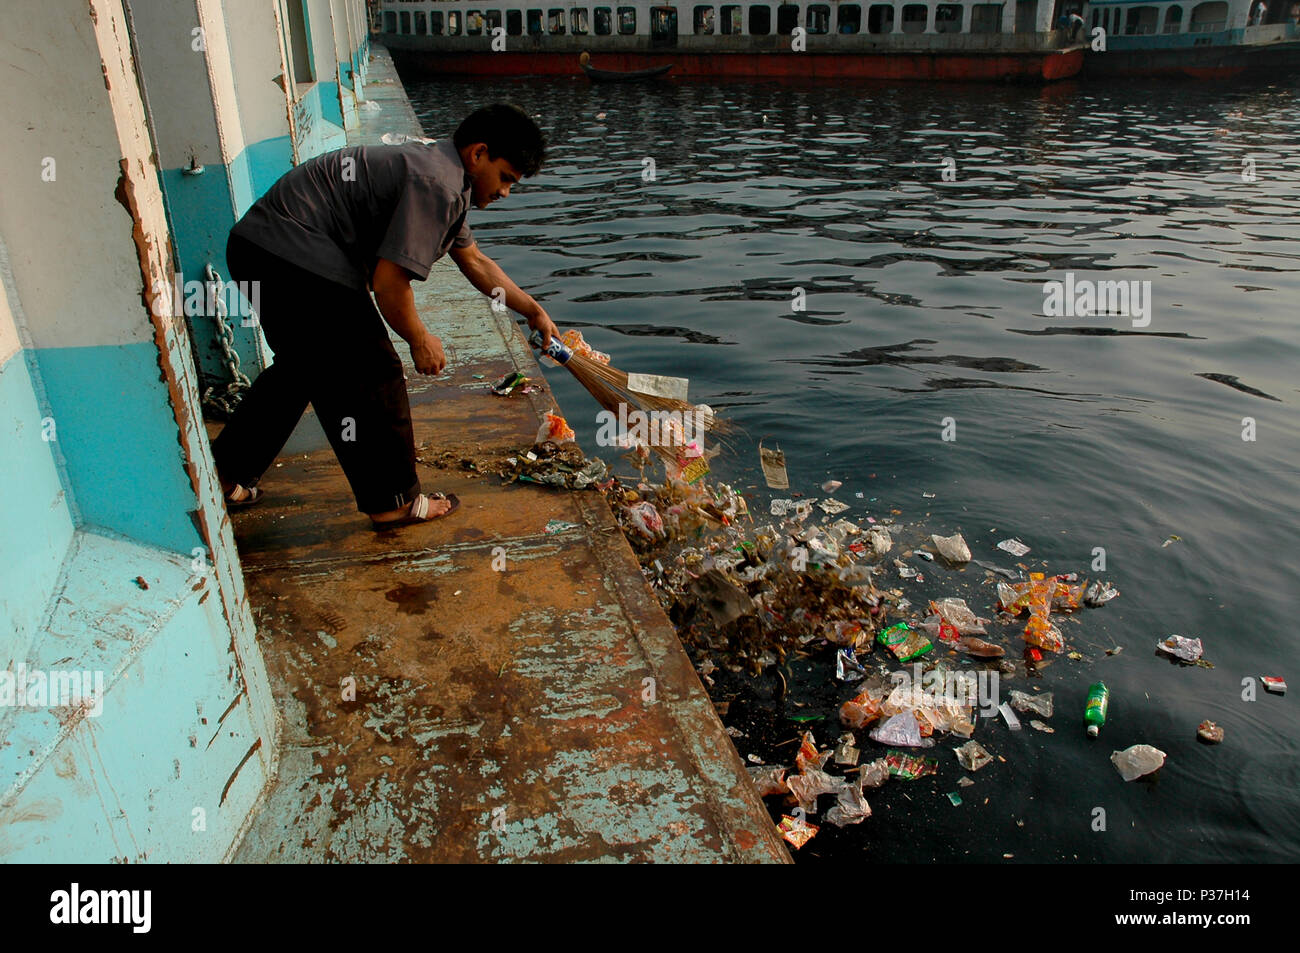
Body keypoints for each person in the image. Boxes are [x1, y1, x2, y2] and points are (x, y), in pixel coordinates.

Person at [211, 104, 558, 529]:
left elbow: (476, 263)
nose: (505, 192)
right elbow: (390, 283)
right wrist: (419, 338)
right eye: (506, 178)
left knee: (301, 370)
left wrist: (534, 310)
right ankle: (393, 501)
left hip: (259, 247)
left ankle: (224, 474)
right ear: (479, 153)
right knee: (374, 370)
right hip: (294, 253)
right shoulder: (438, 183)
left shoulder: (446, 180)